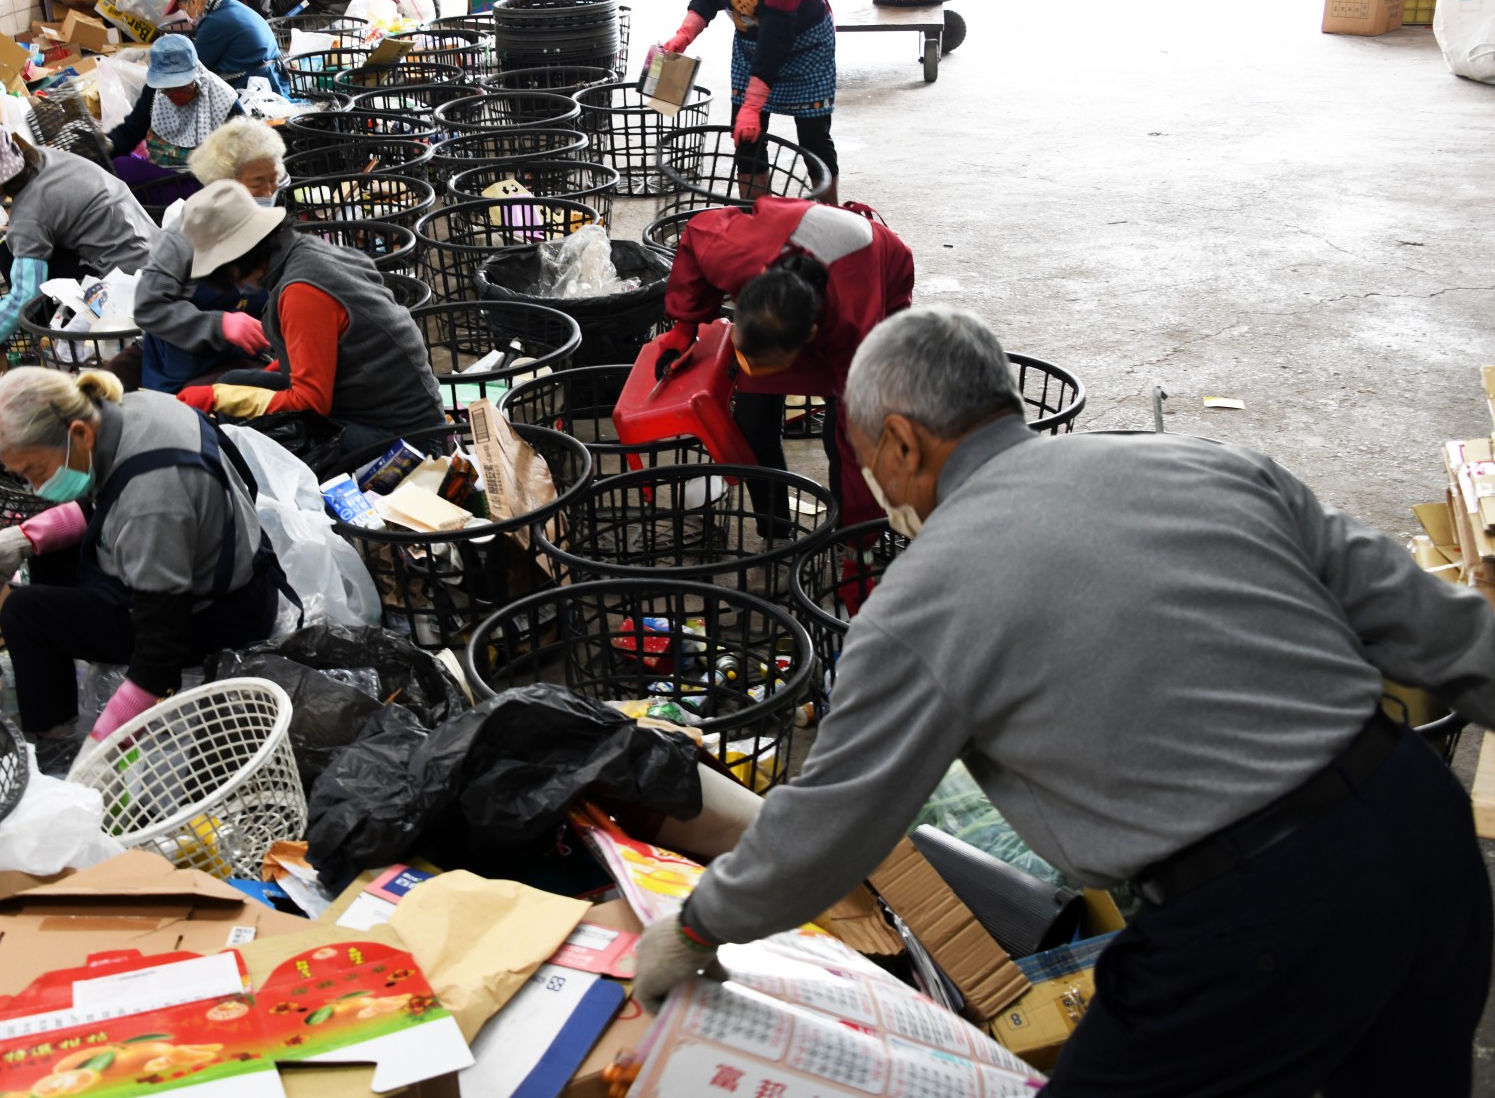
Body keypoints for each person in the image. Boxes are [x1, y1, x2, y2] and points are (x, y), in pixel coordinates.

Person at [633, 306, 1495, 1096]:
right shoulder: (1209, 463)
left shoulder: (924, 598)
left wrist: (700, 927)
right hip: (1424, 827)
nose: (879, 487)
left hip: (1257, 916)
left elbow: (832, 818)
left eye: (865, 457)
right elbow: (1443, 631)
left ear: (902, 442)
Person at [0, 367, 292, 766]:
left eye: (34, 472)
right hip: (227, 567)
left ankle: (59, 752)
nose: (36, 489)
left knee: (25, 615)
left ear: (78, 434)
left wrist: (101, 748)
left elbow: (159, 656)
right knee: (49, 558)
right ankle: (62, 714)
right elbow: (104, 502)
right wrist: (20, 539)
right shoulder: (130, 410)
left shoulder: (153, 500)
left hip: (220, 616)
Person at [653, 195, 913, 529]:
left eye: (763, 365)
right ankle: (774, 528)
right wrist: (684, 326)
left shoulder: (855, 329)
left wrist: (858, 553)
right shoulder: (738, 256)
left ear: (809, 339)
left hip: (878, 273)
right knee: (752, 421)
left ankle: (849, 533)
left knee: (843, 437)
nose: (747, 369)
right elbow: (697, 232)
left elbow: (862, 448)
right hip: (797, 261)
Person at [171, 183, 444, 453]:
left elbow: (309, 404)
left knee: (243, 427)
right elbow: (337, 341)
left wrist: (218, 398)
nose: (236, 284)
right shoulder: (304, 250)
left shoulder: (302, 289)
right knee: (234, 381)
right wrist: (287, 364)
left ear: (238, 258)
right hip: (370, 404)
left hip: (406, 439)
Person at [661, 0, 840, 203]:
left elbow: (777, 31)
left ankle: (832, 218)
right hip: (751, 45)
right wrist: (683, 35)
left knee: (813, 138)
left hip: (803, 45)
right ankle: (757, 220)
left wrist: (754, 102)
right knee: (745, 137)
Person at [0, 124, 155, 390]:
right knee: (9, 250)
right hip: (149, 244)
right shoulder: (40, 158)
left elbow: (25, 295)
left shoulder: (31, 212)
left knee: (12, 259)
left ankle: (58, 349)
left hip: (127, 280)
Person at [132, 177, 282, 394]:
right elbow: (149, 309)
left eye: (273, 185)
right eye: (258, 185)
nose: (268, 195)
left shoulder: (262, 233)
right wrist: (220, 325)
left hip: (244, 359)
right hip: (182, 376)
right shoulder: (182, 240)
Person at [106, 33, 240, 169]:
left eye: (182, 88)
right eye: (167, 90)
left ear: (196, 76)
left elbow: (242, 152)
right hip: (161, 174)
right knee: (118, 165)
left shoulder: (224, 100)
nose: (174, 95)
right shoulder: (155, 93)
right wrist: (109, 144)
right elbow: (132, 130)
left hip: (203, 180)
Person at [167, 0, 291, 96]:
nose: (186, 14)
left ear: (192, 1)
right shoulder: (230, 6)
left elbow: (193, 68)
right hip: (274, 81)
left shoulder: (213, 22)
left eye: (184, 9)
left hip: (254, 88)